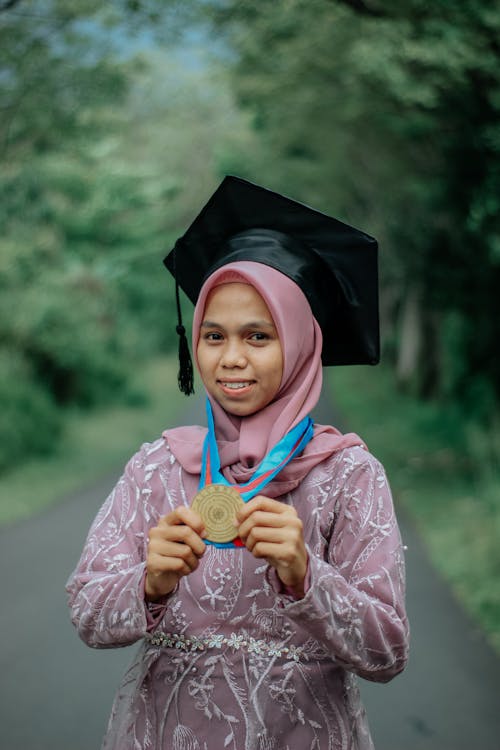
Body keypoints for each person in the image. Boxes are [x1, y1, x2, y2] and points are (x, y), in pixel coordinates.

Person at [66, 176, 409, 750]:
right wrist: (149, 584)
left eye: (258, 336)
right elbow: (86, 614)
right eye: (212, 335)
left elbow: (389, 651)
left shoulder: (348, 475)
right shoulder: (156, 469)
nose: (230, 359)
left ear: (300, 342)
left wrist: (307, 576)